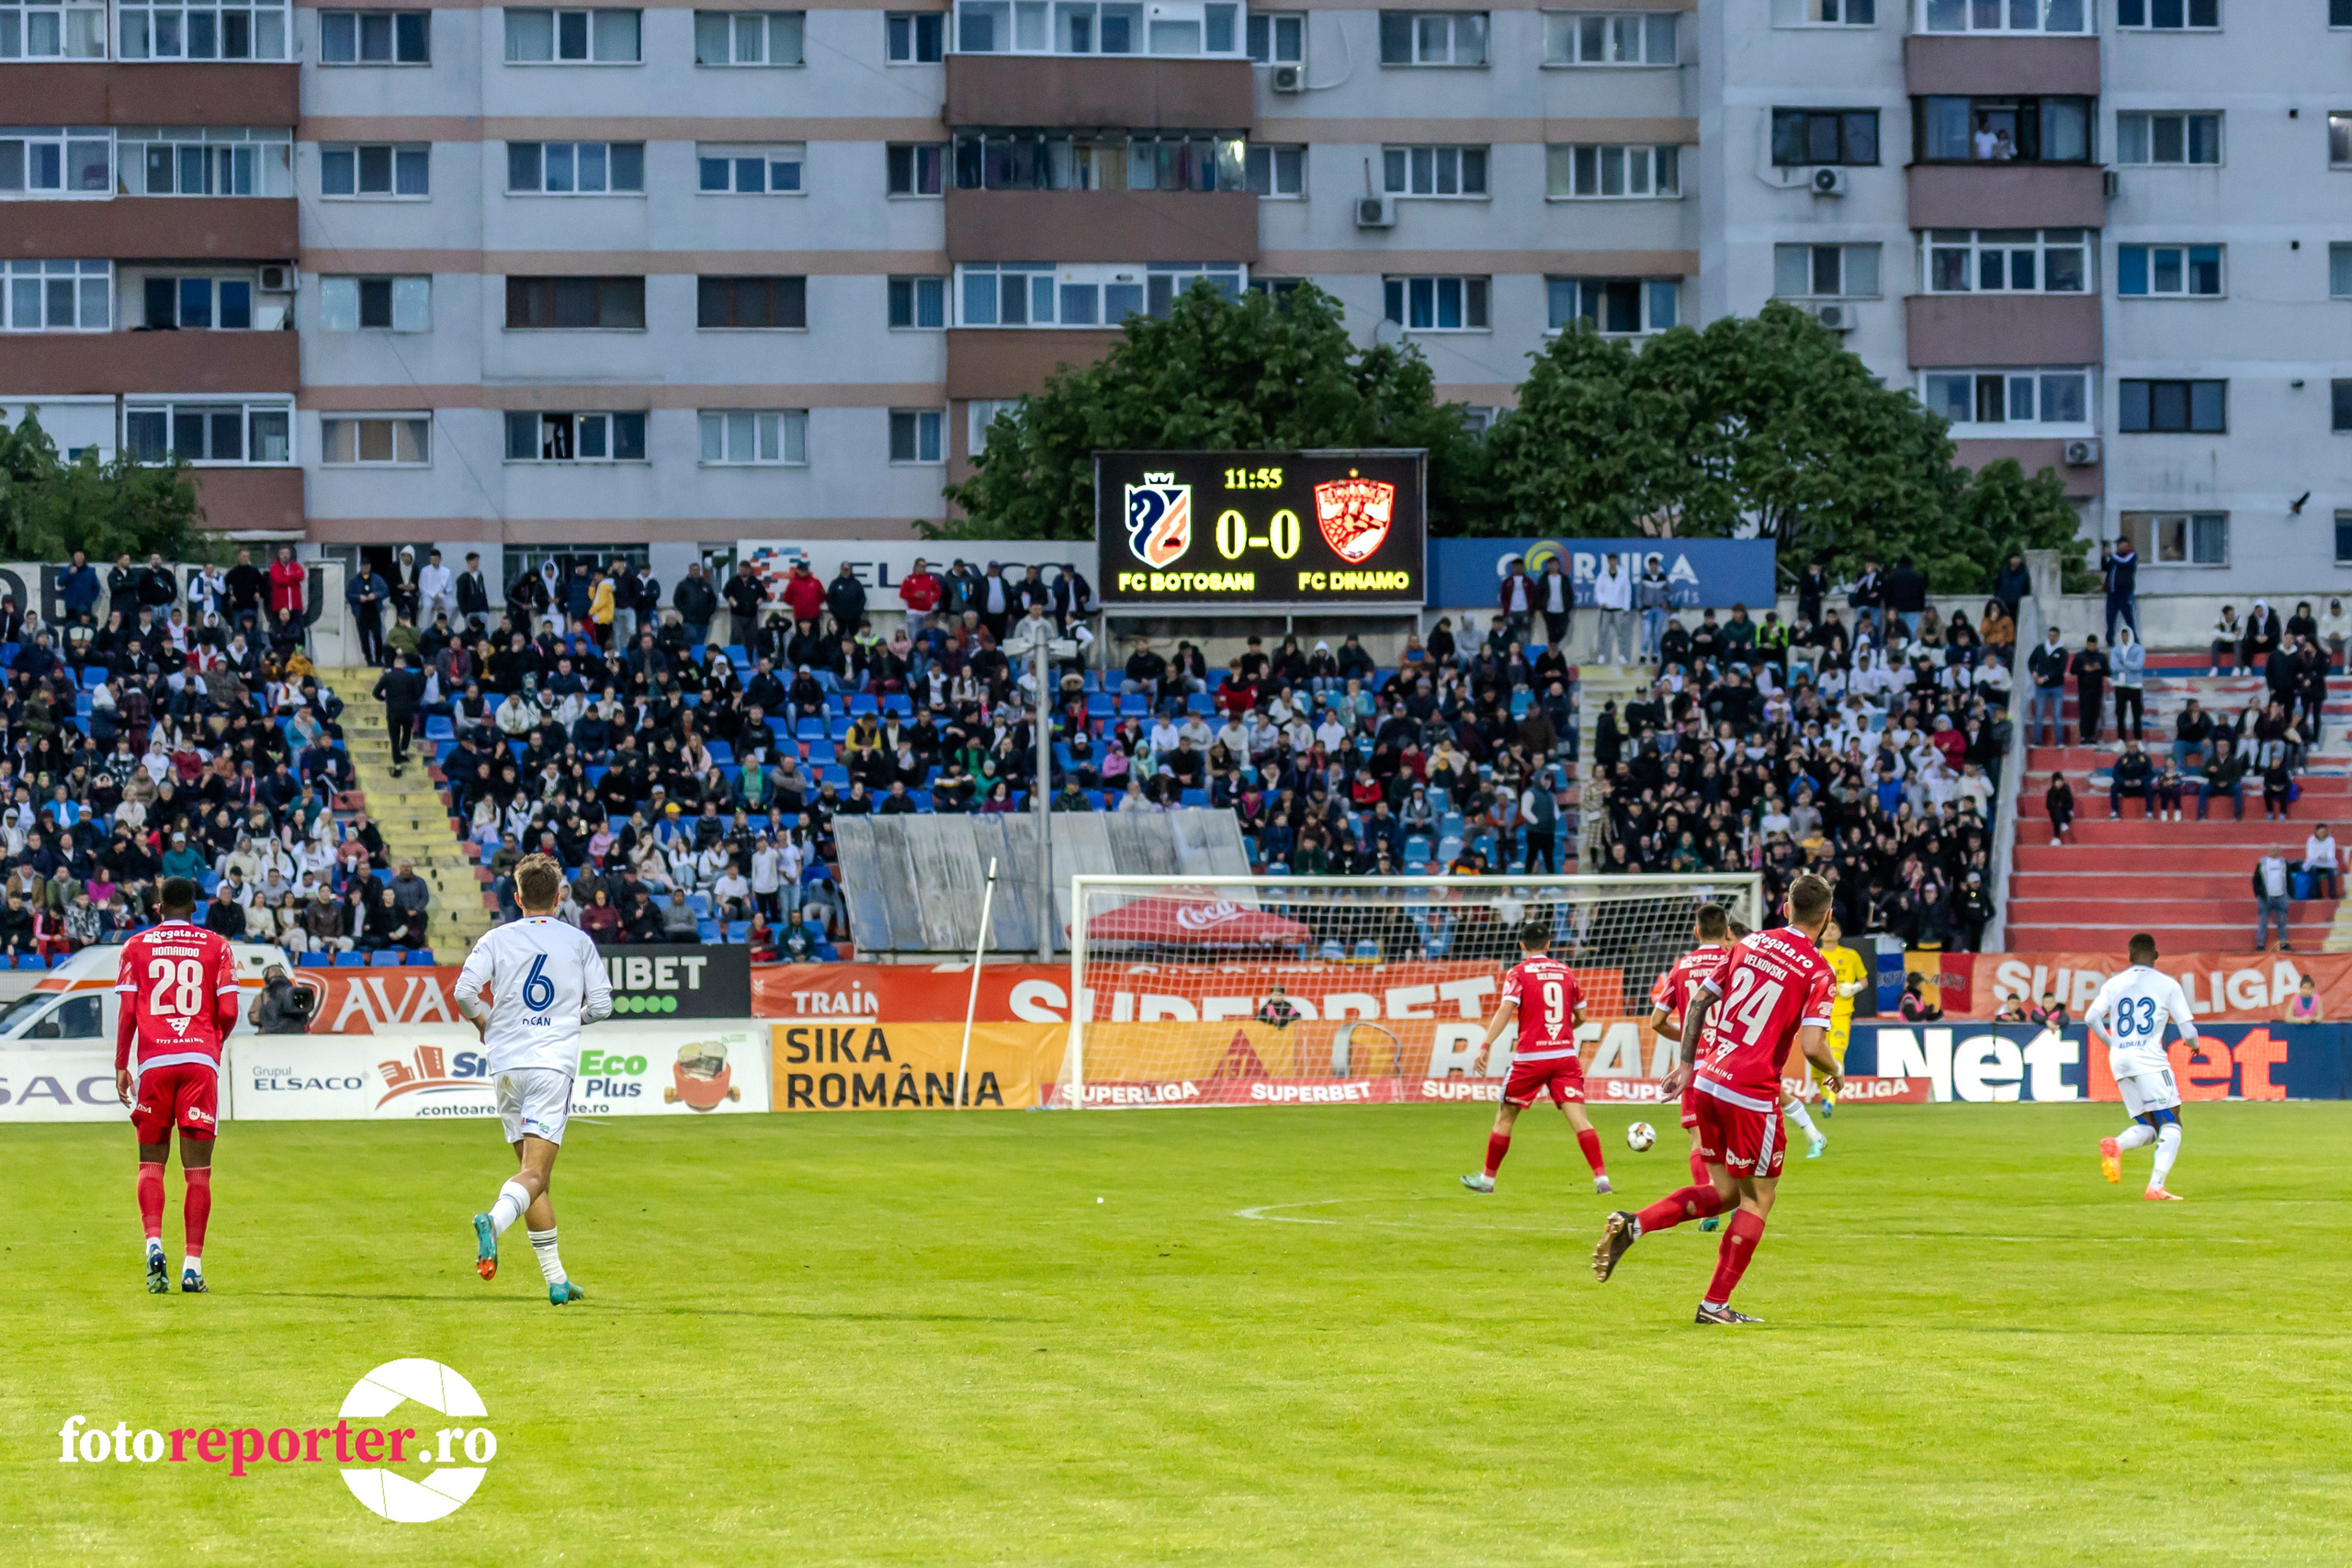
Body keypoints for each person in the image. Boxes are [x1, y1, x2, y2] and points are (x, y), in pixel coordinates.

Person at [1592, 872, 1844, 1325]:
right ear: (1826, 918)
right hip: (1751, 1093)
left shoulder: (1748, 944)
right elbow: (1812, 1047)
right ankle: (1714, 1305)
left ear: (1785, 908)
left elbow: (1698, 1002)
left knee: (1725, 1191)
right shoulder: (1818, 970)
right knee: (1758, 1199)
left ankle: (1635, 1223)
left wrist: (1687, 1066)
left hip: (1708, 1080)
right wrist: (1835, 1070)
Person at [457, 853, 614, 1307]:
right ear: (559, 898)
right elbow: (602, 1005)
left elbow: (464, 993)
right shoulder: (578, 941)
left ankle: (556, 1280)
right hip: (549, 1065)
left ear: (518, 897)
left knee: (531, 1177)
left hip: (506, 1065)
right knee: (534, 1175)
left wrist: (484, 1023)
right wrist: (568, 1020)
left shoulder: (496, 938)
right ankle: (493, 1221)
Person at [115, 876, 243, 1295]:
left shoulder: (135, 946)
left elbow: (128, 1012)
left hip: (155, 1063)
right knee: (197, 1172)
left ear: (158, 906)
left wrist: (121, 1064)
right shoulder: (216, 946)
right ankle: (192, 1267)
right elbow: (229, 1010)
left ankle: (154, 1245)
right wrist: (212, 1044)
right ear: (195, 908)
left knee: (150, 1163)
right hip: (198, 1062)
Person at [1459, 916, 1611, 1197]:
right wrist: (1563, 1030)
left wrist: (1485, 1044)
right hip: (1564, 1056)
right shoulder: (1566, 972)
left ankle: (1487, 1181)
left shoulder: (1518, 972)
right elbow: (1582, 1015)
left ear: (1522, 945)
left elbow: (1506, 1009)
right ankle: (1602, 1180)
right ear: (1549, 944)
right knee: (1580, 1119)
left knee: (1505, 1116)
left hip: (1531, 1057)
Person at [2084, 932, 2196, 1202]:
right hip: (2149, 1059)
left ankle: (2117, 1144)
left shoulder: (2115, 983)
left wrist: (2112, 1044)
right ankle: (2156, 1187)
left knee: (2150, 1125)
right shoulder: (2167, 984)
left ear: (2130, 956)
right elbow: (2188, 1031)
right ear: (2156, 956)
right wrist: (2195, 1045)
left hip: (2120, 1059)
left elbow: (2090, 1018)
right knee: (2172, 1121)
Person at [1644, 903, 1735, 1225]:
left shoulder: (1681, 967)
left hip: (1695, 1067)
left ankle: (1708, 1206)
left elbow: (1657, 1021)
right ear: (1727, 931)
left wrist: (1688, 1038)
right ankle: (1738, 1199)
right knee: (1734, 1137)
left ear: (1696, 931)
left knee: (1698, 1138)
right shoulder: (1735, 960)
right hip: (1732, 1064)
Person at [373, 652, 424, 776]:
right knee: (407, 732)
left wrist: (384, 699)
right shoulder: (410, 677)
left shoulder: (387, 676)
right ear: (404, 665)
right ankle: (403, 752)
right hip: (408, 711)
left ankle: (398, 767)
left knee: (394, 739)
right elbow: (417, 694)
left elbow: (375, 692)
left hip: (393, 712)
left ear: (394, 664)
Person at [2027, 626, 2068, 747]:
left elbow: (2060, 669)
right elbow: (2031, 661)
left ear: (2058, 636)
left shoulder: (2062, 651)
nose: (2051, 638)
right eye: (2050, 635)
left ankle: (2059, 741)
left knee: (2057, 715)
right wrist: (2034, 672)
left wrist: (2045, 678)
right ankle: (2037, 740)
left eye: (2054, 636)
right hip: (2041, 688)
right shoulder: (2040, 648)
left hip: (2056, 686)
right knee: (2039, 714)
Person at [1592, 553, 1634, 665]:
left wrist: (1626, 607)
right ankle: (1601, 655)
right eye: (1610, 560)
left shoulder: (1622, 575)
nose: (1612, 562)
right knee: (1603, 632)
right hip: (1606, 609)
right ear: (1608, 561)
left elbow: (1627, 591)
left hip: (1619, 608)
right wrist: (1602, 602)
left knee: (1621, 633)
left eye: (1614, 560)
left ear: (1616, 561)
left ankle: (1622, 655)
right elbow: (1598, 590)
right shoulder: (1603, 575)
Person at [247, 962, 311, 1033]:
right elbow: (306, 1017)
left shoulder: (262, 997)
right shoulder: (295, 994)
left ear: (267, 979)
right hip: (295, 1035)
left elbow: (253, 1018)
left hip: (269, 1036)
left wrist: (267, 1016)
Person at [2111, 623, 2145, 741]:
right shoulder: (2115, 650)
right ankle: (2121, 739)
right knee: (2120, 714)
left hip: (2135, 685)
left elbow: (2138, 665)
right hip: (2120, 685)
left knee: (2137, 714)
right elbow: (2114, 666)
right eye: (2122, 635)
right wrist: (2130, 667)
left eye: (2126, 635)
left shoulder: (2139, 649)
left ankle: (2138, 739)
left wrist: (2125, 663)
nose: (2124, 637)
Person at [2254, 849, 2292, 953]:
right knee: (2263, 922)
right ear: (2268, 851)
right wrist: (2259, 893)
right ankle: (2260, 944)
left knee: (2282, 922)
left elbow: (2288, 878)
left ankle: (2283, 943)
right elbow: (2256, 879)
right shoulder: (2262, 863)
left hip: (2282, 897)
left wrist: (2290, 893)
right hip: (2265, 898)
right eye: (2272, 850)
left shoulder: (2284, 863)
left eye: (2276, 850)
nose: (2274, 852)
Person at [2073, 633, 2108, 746]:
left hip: (2097, 689)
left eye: (2093, 645)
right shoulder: (2080, 656)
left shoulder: (2101, 657)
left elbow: (2107, 672)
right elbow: (2073, 670)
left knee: (2094, 712)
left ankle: (2092, 736)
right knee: (2085, 713)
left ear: (2096, 645)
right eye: (2090, 645)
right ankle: (2084, 736)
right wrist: (2084, 669)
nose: (2091, 647)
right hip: (2084, 689)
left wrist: (2099, 668)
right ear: (2087, 644)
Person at [2304, 823, 2341, 901]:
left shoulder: (2330, 840)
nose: (2322, 834)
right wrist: (2318, 857)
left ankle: (2332, 894)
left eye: (2324, 832)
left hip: (2327, 863)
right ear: (2316, 832)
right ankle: (2315, 894)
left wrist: (2324, 857)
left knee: (2330, 871)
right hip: (2314, 862)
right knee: (2313, 870)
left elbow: (2331, 854)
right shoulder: (2311, 840)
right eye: (2321, 832)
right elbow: (2310, 855)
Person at [2045, 770, 2075, 846]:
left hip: (2066, 814)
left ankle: (2056, 838)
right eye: (2057, 782)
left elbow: (2071, 805)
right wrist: (2056, 806)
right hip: (2056, 814)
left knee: (2057, 812)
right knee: (2055, 810)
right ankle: (2062, 824)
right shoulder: (2050, 792)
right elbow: (2048, 806)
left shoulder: (2066, 789)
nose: (2059, 783)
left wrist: (2061, 806)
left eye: (2060, 781)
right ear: (2054, 782)